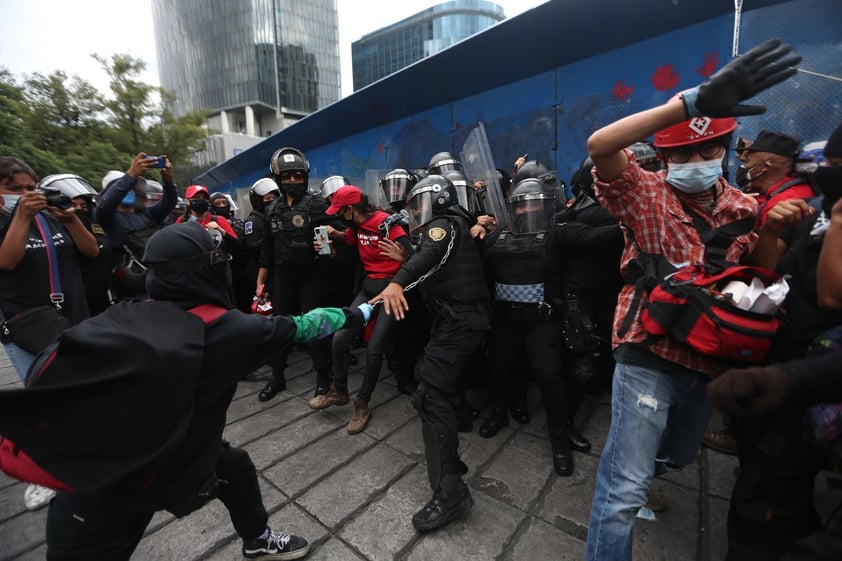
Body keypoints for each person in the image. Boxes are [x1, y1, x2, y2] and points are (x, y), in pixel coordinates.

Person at [0, 221, 372, 560]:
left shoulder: (128, 310)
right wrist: (361, 313)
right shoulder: (232, 330)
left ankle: (256, 538)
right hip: (122, 479)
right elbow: (308, 326)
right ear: (207, 268)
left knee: (235, 467)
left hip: (101, 468)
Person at [582, 39, 801, 561]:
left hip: (710, 358)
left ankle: (646, 470)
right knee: (621, 492)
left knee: (678, 453)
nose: (696, 160)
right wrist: (691, 104)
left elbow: (760, 281)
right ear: (663, 156)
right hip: (647, 352)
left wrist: (771, 232)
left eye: (708, 149)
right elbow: (600, 146)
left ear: (727, 150)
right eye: (681, 152)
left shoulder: (745, 205)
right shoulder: (645, 193)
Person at [720, 122, 842, 561]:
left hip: (814, 377)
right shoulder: (812, 210)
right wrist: (770, 230)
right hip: (777, 358)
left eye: (834, 164)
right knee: (766, 477)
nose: (824, 170)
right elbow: (769, 269)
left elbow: (833, 295)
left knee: (765, 495)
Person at [371, 174, 490, 533]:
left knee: (429, 394)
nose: (415, 214)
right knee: (435, 390)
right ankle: (456, 436)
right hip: (456, 320)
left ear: (437, 200)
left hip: (461, 321)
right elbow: (433, 262)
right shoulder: (456, 225)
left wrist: (396, 281)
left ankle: (451, 493)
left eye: (418, 205)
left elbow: (431, 253)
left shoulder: (444, 225)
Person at [481, 177, 621, 475]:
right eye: (521, 205)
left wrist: (637, 221)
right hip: (505, 321)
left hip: (541, 323)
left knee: (548, 376)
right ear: (512, 208)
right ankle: (498, 413)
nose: (527, 211)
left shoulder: (558, 232)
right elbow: (477, 265)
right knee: (499, 368)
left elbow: (598, 238)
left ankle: (559, 435)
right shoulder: (499, 236)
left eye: (534, 204)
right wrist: (474, 231)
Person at [0, 157, 99, 511]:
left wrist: (71, 218)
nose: (25, 195)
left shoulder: (49, 218)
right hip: (24, 325)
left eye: (31, 188)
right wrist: (21, 216)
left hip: (71, 314)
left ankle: (83, 455)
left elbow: (91, 250)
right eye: (14, 189)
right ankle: (42, 471)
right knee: (40, 398)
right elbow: (6, 262)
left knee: (80, 389)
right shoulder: (11, 219)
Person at [311, 186, 413, 434]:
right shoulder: (355, 227)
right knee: (339, 339)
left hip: (390, 292)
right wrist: (332, 237)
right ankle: (340, 391)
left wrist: (405, 257)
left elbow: (414, 254)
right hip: (367, 290)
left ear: (350, 209)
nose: (337, 215)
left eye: (339, 211)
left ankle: (363, 402)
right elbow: (350, 239)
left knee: (375, 347)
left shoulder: (385, 224)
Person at [256, 147, 341, 402]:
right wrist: (260, 281)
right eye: (287, 177)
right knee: (280, 328)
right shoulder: (271, 209)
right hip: (282, 277)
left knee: (316, 328)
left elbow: (338, 238)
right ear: (277, 179)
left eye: (297, 175)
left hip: (311, 277)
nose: (293, 181)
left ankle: (324, 379)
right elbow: (267, 250)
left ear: (305, 176)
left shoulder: (317, 204)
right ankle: (277, 377)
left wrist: (330, 246)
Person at [96, 153, 177, 299]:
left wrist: (168, 179)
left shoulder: (147, 214)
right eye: (122, 186)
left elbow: (169, 202)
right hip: (132, 290)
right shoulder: (107, 217)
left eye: (132, 186)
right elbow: (105, 205)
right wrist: (130, 175)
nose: (128, 189)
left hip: (161, 281)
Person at [735, 130, 816, 224]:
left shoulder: (781, 204)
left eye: (746, 162)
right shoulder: (780, 187)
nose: (744, 167)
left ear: (765, 167)